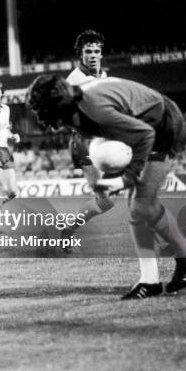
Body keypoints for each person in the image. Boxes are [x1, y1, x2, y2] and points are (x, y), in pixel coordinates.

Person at [26, 74, 186, 300]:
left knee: (141, 205)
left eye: (44, 110)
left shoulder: (95, 108)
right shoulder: (75, 104)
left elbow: (145, 134)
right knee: (138, 208)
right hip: (139, 123)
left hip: (162, 125)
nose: (44, 118)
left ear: (57, 106)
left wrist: (125, 178)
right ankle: (159, 275)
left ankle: (181, 262)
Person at [63, 30, 115, 240]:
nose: (92, 55)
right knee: (105, 200)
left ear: (101, 54)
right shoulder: (73, 81)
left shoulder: (104, 76)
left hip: (105, 140)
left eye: (96, 51)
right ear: (81, 54)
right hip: (84, 143)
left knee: (107, 201)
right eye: (88, 51)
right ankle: (68, 230)